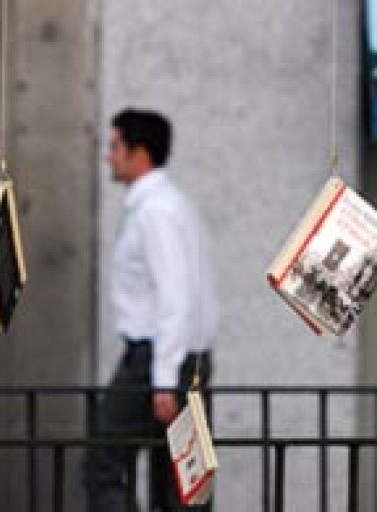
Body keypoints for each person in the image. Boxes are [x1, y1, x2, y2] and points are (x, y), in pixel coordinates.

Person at [85, 108, 219, 512]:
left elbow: (173, 295)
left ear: (138, 153)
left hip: (157, 359)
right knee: (179, 480)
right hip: (181, 357)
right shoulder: (168, 205)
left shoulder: (156, 211)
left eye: (115, 147)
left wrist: (163, 377)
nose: (109, 156)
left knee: (104, 461)